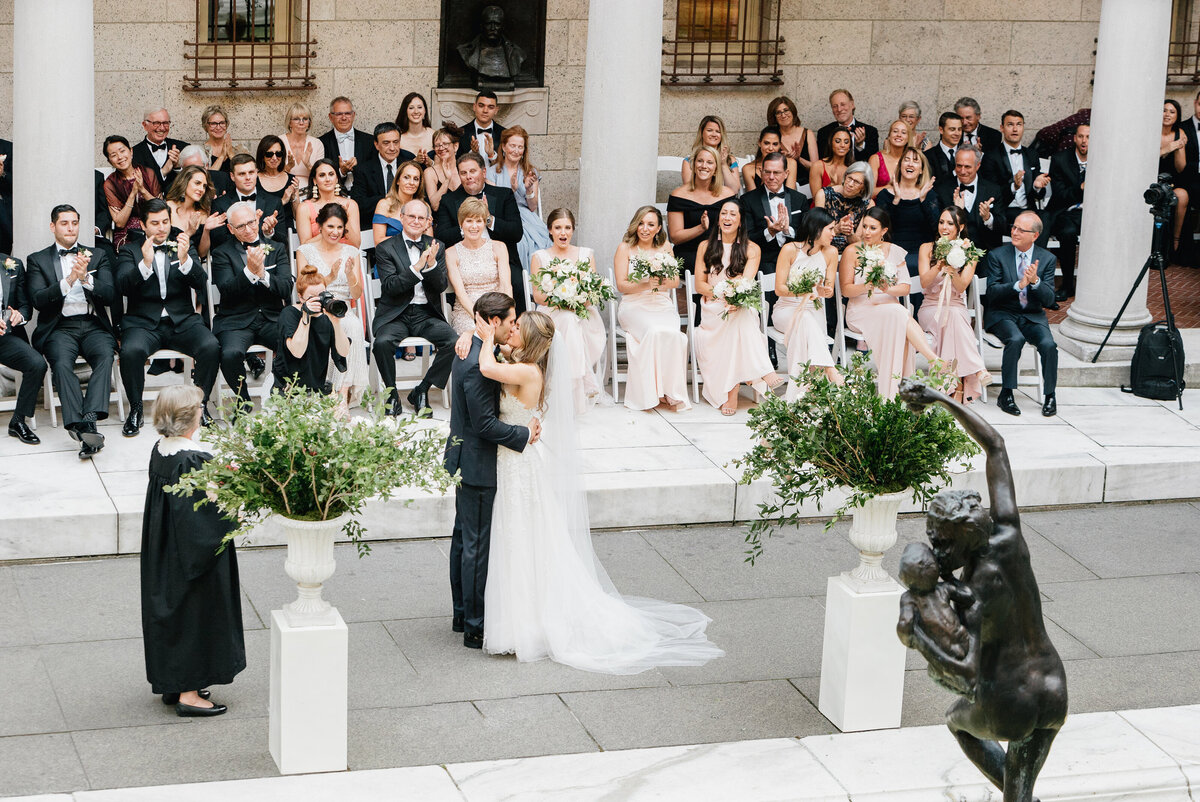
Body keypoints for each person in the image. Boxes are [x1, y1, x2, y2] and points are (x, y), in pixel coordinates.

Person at [470, 308, 723, 672]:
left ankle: (527, 626)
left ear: (530, 339)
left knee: (523, 536)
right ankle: (521, 621)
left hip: (521, 465)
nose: (511, 331)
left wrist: (483, 335)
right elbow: (502, 361)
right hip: (517, 459)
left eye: (517, 328)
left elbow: (488, 369)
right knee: (522, 536)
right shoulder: (524, 362)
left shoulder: (527, 370)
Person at [894, 382, 1067, 802]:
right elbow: (996, 447)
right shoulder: (1009, 531)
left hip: (1010, 699)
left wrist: (916, 636)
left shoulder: (970, 591)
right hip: (1053, 685)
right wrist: (940, 398)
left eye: (940, 541)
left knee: (957, 722)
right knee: (1019, 791)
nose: (935, 549)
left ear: (961, 538)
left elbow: (967, 671)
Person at [139, 384, 245, 718]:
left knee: (173, 612)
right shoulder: (192, 459)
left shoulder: (162, 448)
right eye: (199, 406)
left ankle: (174, 682)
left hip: (165, 549)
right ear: (191, 416)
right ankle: (189, 694)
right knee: (195, 613)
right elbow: (203, 515)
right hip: (191, 553)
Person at [444, 291, 538, 649]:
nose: (515, 327)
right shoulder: (477, 364)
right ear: (494, 322)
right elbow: (485, 425)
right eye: (512, 321)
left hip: (462, 457)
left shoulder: (471, 348)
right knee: (476, 546)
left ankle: (460, 613)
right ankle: (475, 625)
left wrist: (470, 333)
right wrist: (525, 433)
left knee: (463, 539)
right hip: (478, 463)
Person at [116, 199, 220, 436]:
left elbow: (200, 281)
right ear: (143, 225)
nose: (161, 228)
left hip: (182, 320)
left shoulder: (182, 243)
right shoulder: (130, 250)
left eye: (165, 222)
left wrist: (185, 260)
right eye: (155, 223)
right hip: (142, 323)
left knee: (210, 345)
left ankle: (200, 407)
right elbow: (121, 286)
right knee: (130, 352)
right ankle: (136, 409)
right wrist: (145, 263)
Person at [25, 205, 118, 457]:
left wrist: (87, 278)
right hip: (59, 328)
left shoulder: (97, 255)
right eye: (64, 223)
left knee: (105, 356)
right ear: (53, 226)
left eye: (75, 223)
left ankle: (87, 420)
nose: (70, 228)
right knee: (62, 365)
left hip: (93, 325)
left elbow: (110, 295)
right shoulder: (38, 260)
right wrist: (68, 281)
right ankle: (84, 426)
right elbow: (37, 300)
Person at [839, 207, 943, 400]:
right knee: (899, 312)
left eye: (872, 228)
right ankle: (932, 359)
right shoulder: (851, 251)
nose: (867, 232)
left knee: (896, 312)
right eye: (865, 227)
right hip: (861, 310)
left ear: (884, 231)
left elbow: (905, 287)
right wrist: (869, 285)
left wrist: (887, 290)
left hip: (890, 310)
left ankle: (896, 391)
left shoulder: (894, 251)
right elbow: (846, 290)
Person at [693, 199, 782, 414]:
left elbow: (746, 283)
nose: (727, 218)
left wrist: (734, 300)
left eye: (733, 214)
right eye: (724, 213)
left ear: (741, 221)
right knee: (737, 316)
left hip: (739, 304)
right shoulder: (705, 246)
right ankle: (760, 372)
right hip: (713, 306)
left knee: (739, 314)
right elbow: (699, 285)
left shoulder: (753, 249)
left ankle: (732, 393)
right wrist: (722, 295)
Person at [372, 200, 458, 415]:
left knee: (453, 342)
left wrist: (431, 266)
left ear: (428, 221)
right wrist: (418, 266)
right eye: (411, 216)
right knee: (382, 343)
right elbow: (391, 287)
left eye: (421, 218)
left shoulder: (436, 245)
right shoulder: (385, 248)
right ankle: (391, 394)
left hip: (425, 314)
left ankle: (421, 390)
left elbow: (440, 286)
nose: (416, 221)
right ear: (401, 218)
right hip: (395, 314)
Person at [210, 201, 294, 409]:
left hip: (271, 317)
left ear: (257, 220)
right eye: (240, 226)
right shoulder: (221, 253)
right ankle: (242, 401)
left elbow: (285, 289)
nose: (248, 229)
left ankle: (280, 393)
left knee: (294, 345)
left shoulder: (276, 248)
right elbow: (226, 290)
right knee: (230, 354)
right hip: (236, 320)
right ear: (230, 228)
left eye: (251, 223)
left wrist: (263, 274)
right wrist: (248, 272)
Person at [530, 208, 607, 413]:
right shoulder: (540, 257)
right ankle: (581, 381)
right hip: (551, 312)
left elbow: (592, 291)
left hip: (582, 312)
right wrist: (562, 300)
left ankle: (573, 383)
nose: (563, 233)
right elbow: (538, 296)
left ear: (573, 229)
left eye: (567, 227)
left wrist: (576, 301)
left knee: (572, 320)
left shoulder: (586, 254)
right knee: (568, 321)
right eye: (558, 228)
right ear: (550, 230)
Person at [613, 206, 689, 411]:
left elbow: (674, 282)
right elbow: (622, 286)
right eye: (641, 223)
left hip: (661, 304)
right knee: (654, 331)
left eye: (650, 224)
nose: (644, 229)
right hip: (634, 305)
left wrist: (658, 281)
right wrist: (647, 283)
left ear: (658, 228)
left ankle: (670, 392)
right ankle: (649, 393)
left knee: (673, 334)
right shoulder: (625, 248)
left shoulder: (665, 248)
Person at [983, 211, 1059, 418]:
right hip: (1002, 313)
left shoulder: (1047, 259)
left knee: (1049, 345)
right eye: (1013, 227)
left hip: (1032, 315)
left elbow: (1050, 300)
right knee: (1015, 339)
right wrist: (1018, 285)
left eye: (1020, 229)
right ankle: (1006, 393)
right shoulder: (997, 255)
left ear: (1034, 235)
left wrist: (1035, 282)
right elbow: (992, 293)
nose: (1014, 232)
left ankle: (1050, 394)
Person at [296, 203, 369, 414]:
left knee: (352, 326)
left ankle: (342, 395)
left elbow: (356, 294)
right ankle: (327, 389)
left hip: (343, 306)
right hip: (316, 306)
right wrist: (329, 277)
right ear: (319, 225)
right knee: (330, 324)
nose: (335, 232)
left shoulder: (351, 252)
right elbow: (303, 288)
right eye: (330, 226)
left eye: (339, 227)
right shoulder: (305, 251)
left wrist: (350, 275)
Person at [917, 206, 992, 403]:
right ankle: (977, 369)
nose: (944, 227)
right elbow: (924, 282)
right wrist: (939, 265)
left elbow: (961, 287)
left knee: (953, 317)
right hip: (931, 307)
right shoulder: (926, 248)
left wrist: (953, 270)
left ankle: (953, 390)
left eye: (950, 223)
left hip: (956, 306)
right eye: (942, 222)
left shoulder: (970, 252)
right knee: (951, 319)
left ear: (960, 227)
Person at [434, 153, 525, 311]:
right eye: (463, 173)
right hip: (464, 263)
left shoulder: (504, 195)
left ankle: (514, 325)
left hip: (501, 261)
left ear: (483, 172)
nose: (468, 176)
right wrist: (468, 225)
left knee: (516, 282)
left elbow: (516, 233)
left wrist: (488, 218)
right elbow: (442, 236)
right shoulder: (448, 201)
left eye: (472, 171)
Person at [773, 208, 840, 398]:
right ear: (817, 228)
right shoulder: (790, 249)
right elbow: (779, 289)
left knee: (806, 323)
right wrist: (807, 290)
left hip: (813, 311)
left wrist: (823, 291)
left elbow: (828, 291)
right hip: (787, 309)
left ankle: (801, 392)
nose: (834, 234)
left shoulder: (831, 253)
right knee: (804, 319)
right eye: (831, 229)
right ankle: (830, 370)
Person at [896, 541, 975, 696]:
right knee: (936, 673)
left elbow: (968, 597)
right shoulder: (938, 590)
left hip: (954, 645)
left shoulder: (917, 597)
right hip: (955, 643)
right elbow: (968, 597)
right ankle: (969, 689)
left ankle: (969, 690)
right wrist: (949, 577)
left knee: (935, 674)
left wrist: (949, 577)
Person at [875, 147, 940, 313]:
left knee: (916, 265)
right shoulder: (885, 195)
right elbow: (883, 230)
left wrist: (924, 200)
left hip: (921, 252)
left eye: (915, 160)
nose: (910, 163)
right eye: (907, 159)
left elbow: (936, 228)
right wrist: (896, 201)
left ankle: (918, 317)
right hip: (893, 251)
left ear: (921, 170)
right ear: (900, 165)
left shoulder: (929, 195)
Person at [274, 264, 349, 394]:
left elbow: (343, 352)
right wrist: (306, 315)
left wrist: (336, 323)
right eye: (312, 297)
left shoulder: (326, 317)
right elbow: (297, 351)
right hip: (288, 387)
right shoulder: (289, 314)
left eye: (321, 295)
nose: (318, 301)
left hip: (317, 387)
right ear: (300, 297)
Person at [667, 145, 737, 278]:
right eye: (700, 161)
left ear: (716, 169)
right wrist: (701, 228)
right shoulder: (679, 195)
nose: (704, 165)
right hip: (690, 252)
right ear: (693, 166)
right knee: (706, 266)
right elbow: (675, 237)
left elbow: (736, 228)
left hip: (721, 249)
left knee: (733, 261)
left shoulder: (727, 195)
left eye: (710, 162)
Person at [486, 125, 550, 271]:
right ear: (503, 146)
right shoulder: (491, 172)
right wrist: (511, 190)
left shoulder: (530, 172)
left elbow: (533, 207)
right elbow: (492, 206)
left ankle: (534, 286)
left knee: (538, 243)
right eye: (512, 146)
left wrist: (527, 189)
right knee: (519, 242)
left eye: (520, 147)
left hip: (525, 216)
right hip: (503, 217)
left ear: (524, 150)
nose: (516, 150)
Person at [0, 248, 46, 446]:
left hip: (5, 337)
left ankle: (18, 421)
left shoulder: (12, 264)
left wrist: (19, 316)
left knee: (36, 364)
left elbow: (25, 305)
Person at [446, 197, 513, 334]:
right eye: (469, 221)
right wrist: (480, 319)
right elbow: (460, 293)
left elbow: (506, 286)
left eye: (479, 221)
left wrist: (506, 314)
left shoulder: (499, 247)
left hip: (497, 310)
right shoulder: (451, 253)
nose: (474, 226)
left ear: (484, 223)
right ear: (461, 223)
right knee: (477, 336)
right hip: (467, 312)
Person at [211, 153, 287, 251]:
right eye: (242, 174)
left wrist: (268, 233)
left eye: (251, 172)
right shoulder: (220, 204)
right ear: (232, 176)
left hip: (268, 260)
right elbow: (218, 242)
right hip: (235, 261)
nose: (248, 177)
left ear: (256, 173)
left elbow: (282, 241)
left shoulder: (273, 202)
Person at [983, 110, 1050, 220]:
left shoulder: (1032, 154)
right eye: (1010, 125)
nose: (1015, 129)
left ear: (1023, 127)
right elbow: (991, 192)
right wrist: (1014, 187)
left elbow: (1038, 195)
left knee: (1045, 217)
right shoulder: (992, 156)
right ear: (1002, 128)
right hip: (1005, 210)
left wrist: (1036, 187)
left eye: (1019, 124)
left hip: (1028, 209)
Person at [935, 146, 1005, 250]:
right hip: (953, 251)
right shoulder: (942, 190)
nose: (962, 171)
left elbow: (1002, 227)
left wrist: (988, 218)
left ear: (978, 166)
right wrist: (956, 212)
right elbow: (936, 226)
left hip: (986, 252)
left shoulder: (993, 190)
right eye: (959, 166)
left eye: (967, 167)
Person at [1047, 124, 1088, 302]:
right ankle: (1067, 284)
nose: (1084, 141)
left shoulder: (1103, 160)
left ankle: (1094, 284)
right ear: (1075, 138)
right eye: (1080, 136)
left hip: (1092, 213)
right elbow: (1060, 195)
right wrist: (1080, 188)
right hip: (1065, 211)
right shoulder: (1060, 159)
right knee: (1068, 233)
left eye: (1088, 137)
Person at [103, 134, 162, 250]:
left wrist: (142, 190)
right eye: (114, 155)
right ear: (110, 161)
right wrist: (133, 193)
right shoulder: (110, 183)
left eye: (122, 151)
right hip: (127, 235)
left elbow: (161, 209)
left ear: (131, 151)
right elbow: (120, 223)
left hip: (154, 227)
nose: (120, 157)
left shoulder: (148, 173)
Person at [456, 5, 527, 89]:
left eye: (497, 24)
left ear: (503, 27)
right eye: (488, 24)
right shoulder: (466, 51)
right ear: (481, 26)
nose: (492, 28)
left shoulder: (517, 53)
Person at [297, 158, 361, 247]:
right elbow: (304, 246)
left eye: (331, 174)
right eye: (322, 175)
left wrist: (344, 220)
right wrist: (327, 232)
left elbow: (356, 244)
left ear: (337, 178)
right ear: (314, 180)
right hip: (317, 257)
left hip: (345, 256)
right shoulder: (304, 208)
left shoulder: (350, 205)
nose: (327, 179)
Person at [815, 160, 872, 254]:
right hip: (823, 251)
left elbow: (861, 245)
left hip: (851, 254)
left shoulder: (868, 204)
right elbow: (816, 234)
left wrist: (850, 232)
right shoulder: (823, 195)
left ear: (865, 187)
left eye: (857, 182)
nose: (850, 184)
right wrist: (837, 229)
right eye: (849, 178)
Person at [164, 165, 221, 259]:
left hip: (192, 263)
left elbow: (202, 254)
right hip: (168, 260)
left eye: (204, 186)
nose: (201, 189)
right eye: (197, 183)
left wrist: (206, 230)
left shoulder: (202, 213)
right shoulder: (167, 207)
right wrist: (189, 232)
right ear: (185, 182)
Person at [317, 96, 375, 187]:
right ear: (331, 117)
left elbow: (373, 172)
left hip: (364, 194)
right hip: (334, 194)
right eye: (339, 114)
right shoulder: (321, 143)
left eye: (347, 113)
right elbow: (320, 175)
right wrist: (341, 172)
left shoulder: (370, 141)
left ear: (353, 115)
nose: (344, 118)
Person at [1159, 100, 1190, 256]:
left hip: (1171, 180)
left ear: (1177, 116)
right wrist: (1167, 148)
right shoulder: (1152, 131)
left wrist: (1178, 148)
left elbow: (1180, 167)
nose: (1167, 115)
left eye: (1172, 112)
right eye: (1164, 110)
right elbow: (1145, 159)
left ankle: (1175, 240)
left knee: (1182, 195)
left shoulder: (1180, 133)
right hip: (1151, 178)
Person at [374, 160, 429, 243]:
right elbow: (378, 243)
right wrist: (409, 236)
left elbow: (428, 244)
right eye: (406, 177)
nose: (411, 183)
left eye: (416, 179)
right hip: (389, 254)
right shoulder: (384, 205)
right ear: (398, 180)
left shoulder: (424, 207)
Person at [132, 107, 187, 189]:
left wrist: (177, 168)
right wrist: (164, 171)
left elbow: (192, 180)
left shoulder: (183, 148)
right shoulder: (134, 153)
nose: (162, 128)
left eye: (165, 123)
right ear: (145, 125)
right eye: (156, 123)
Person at [817, 89, 879, 162]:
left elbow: (872, 164)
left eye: (843, 104)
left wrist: (860, 145)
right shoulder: (823, 133)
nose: (839, 109)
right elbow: (823, 162)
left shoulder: (870, 131)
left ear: (852, 105)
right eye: (835, 106)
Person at [681, 115, 740, 190]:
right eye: (709, 130)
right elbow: (690, 189)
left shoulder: (730, 160)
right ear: (702, 133)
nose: (714, 134)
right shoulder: (689, 161)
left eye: (718, 132)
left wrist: (723, 164)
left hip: (725, 200)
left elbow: (734, 190)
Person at [254, 135, 300, 224]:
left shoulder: (291, 179)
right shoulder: (254, 180)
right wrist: (282, 201)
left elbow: (297, 217)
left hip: (287, 231)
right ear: (262, 156)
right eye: (269, 154)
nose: (274, 158)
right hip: (262, 230)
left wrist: (294, 197)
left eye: (278, 154)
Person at [456, 90, 506, 170]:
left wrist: (492, 155)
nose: (485, 111)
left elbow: (508, 166)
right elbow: (456, 164)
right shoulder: (460, 133)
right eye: (481, 105)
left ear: (496, 110)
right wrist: (472, 153)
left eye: (490, 107)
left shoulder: (505, 134)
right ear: (474, 107)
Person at [281, 102, 325, 189]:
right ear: (289, 122)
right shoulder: (279, 141)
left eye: (305, 119)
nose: (301, 123)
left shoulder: (317, 143)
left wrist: (308, 164)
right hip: (283, 189)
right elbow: (271, 174)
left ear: (309, 123)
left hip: (311, 191)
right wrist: (288, 167)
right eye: (296, 119)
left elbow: (322, 175)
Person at [768, 96, 819, 172]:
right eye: (778, 112)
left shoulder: (808, 134)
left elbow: (817, 169)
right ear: (774, 117)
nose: (783, 115)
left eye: (786, 110)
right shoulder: (772, 136)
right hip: (781, 182)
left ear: (793, 111)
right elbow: (766, 166)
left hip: (807, 182)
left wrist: (798, 159)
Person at [742, 126, 800, 191]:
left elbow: (790, 194)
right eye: (766, 143)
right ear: (759, 143)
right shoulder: (748, 169)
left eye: (775, 144)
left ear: (780, 145)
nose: (770, 148)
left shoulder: (791, 163)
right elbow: (751, 199)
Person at [869, 119, 911, 198]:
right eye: (895, 131)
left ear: (908, 138)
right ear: (889, 136)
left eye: (903, 132)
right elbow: (869, 193)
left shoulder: (912, 161)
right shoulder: (876, 159)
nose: (899, 135)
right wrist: (888, 188)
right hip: (879, 207)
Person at [424, 126, 463, 212]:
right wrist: (446, 180)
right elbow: (435, 206)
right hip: (441, 221)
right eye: (437, 145)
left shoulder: (464, 168)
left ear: (455, 146)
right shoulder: (430, 172)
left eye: (445, 144)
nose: (441, 148)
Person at [809, 126, 853, 198]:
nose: (842, 145)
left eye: (846, 142)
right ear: (831, 143)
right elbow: (816, 198)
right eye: (838, 141)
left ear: (849, 147)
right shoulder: (818, 166)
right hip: (821, 208)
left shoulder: (853, 169)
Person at [396, 91, 436, 165]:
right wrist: (414, 161)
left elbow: (444, 164)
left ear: (425, 111)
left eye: (420, 107)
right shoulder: (397, 138)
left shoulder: (434, 135)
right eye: (411, 108)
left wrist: (431, 163)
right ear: (405, 112)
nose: (416, 111)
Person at [925, 111, 964, 185]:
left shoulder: (968, 154)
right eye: (952, 129)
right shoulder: (927, 156)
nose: (957, 133)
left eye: (959, 129)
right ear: (941, 130)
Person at [199, 105, 240, 172]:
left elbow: (245, 173)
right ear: (205, 126)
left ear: (226, 125)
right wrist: (221, 156)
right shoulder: (200, 152)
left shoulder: (240, 149)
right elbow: (206, 178)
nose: (218, 127)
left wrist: (230, 154)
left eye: (222, 123)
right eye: (213, 123)